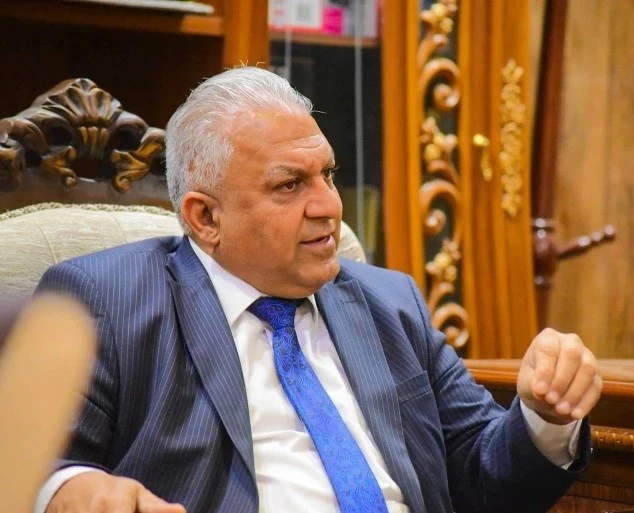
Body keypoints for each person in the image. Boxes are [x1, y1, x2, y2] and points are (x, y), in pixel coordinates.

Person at [35, 67, 602, 513]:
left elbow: (485, 476)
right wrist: (71, 488)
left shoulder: (391, 303)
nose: (329, 205)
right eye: (290, 185)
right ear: (206, 217)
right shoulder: (108, 300)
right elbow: (33, 467)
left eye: (327, 174)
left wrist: (544, 417)